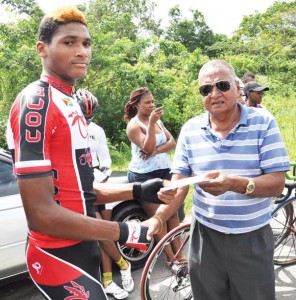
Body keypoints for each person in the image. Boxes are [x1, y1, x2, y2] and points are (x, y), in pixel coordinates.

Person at [6, 6, 175, 300]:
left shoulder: (69, 101)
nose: (82, 51)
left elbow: (81, 191)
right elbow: (41, 215)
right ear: (42, 49)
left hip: (84, 245)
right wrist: (127, 231)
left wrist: (137, 190)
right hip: (56, 252)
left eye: (86, 43)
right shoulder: (36, 102)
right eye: (69, 42)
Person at [149, 60, 290, 300]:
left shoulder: (263, 123)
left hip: (251, 236)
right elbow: (179, 185)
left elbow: (277, 183)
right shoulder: (191, 129)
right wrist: (159, 217)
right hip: (205, 236)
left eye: (222, 85)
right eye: (206, 89)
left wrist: (235, 184)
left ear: (237, 88)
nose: (214, 93)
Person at [76, 89, 132, 299]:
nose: (87, 120)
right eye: (84, 116)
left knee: (105, 233)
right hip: (80, 187)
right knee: (100, 232)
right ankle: (123, 264)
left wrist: (104, 175)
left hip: (98, 183)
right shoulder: (68, 127)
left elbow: (105, 160)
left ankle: (108, 280)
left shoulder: (96, 130)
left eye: (90, 117)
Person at [124, 87, 186, 270]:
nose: (152, 105)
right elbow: (148, 147)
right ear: (136, 104)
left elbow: (172, 142)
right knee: (158, 219)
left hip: (164, 171)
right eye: (147, 102)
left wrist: (157, 150)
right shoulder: (134, 126)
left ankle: (180, 254)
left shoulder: (158, 122)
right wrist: (151, 125)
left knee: (172, 214)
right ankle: (170, 259)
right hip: (144, 176)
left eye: (152, 101)